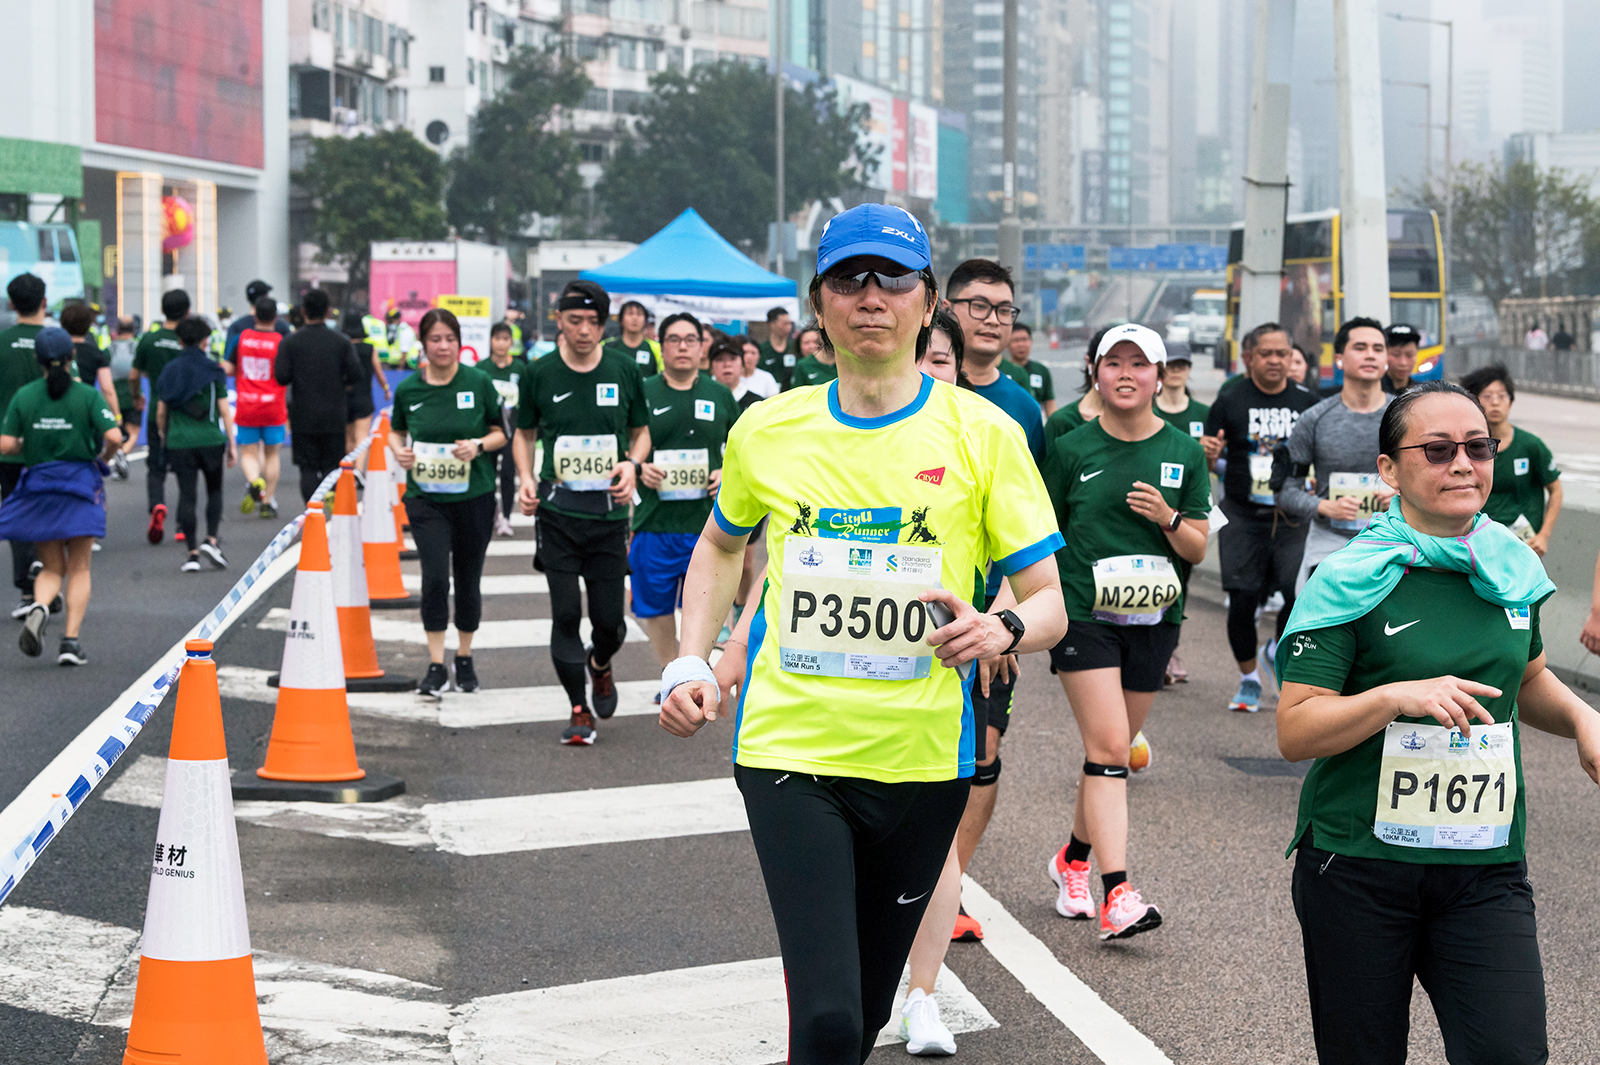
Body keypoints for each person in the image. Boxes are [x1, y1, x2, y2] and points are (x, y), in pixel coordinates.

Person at [658, 202, 1065, 1064]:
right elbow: (720, 549)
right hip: (789, 750)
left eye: (893, 279)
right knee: (830, 1020)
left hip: (923, 762)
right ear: (819, 304)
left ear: (926, 304)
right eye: (849, 278)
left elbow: (1050, 600)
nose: (870, 296)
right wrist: (691, 659)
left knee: (866, 1012)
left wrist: (1001, 628)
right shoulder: (769, 428)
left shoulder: (982, 434)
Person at [1275, 380, 1600, 1065]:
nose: (1463, 463)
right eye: (1439, 449)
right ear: (1389, 469)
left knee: (1511, 1053)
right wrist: (1394, 696)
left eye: (1477, 447)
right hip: (1359, 863)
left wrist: (1582, 717)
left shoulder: (1511, 568)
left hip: (1484, 866)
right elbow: (1296, 729)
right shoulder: (1350, 577)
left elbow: (1531, 677)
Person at [1039, 323, 1209, 941]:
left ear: (1159, 378)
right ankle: (1120, 893)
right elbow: (1041, 534)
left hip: (1155, 619)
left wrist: (1167, 517)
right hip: (1084, 615)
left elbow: (1197, 544)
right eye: (1115, 363)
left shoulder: (1184, 452)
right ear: (1095, 373)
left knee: (1108, 755)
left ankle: (1072, 860)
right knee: (1112, 749)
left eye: (1141, 364)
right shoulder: (1071, 445)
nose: (1127, 374)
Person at [514, 280, 650, 745]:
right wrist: (526, 478)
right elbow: (524, 433)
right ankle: (578, 709)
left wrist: (632, 465)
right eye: (575, 321)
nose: (585, 331)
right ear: (558, 320)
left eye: (594, 322)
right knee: (566, 613)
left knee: (610, 623)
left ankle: (600, 662)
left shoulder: (624, 368)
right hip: (556, 513)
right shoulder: (539, 372)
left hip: (609, 515)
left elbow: (641, 431)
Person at [390, 308, 507, 696]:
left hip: (474, 498)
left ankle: (465, 656)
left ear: (460, 343)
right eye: (436, 339)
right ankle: (437, 663)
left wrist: (477, 445)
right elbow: (396, 431)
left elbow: (500, 434)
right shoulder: (409, 389)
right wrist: (399, 453)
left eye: (450, 339)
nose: (443, 346)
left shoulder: (479, 382)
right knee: (436, 577)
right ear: (423, 345)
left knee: (468, 579)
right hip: (426, 500)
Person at [1204, 320, 1319, 713]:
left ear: (1292, 357)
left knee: (1297, 594)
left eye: (1282, 353)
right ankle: (1248, 678)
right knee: (1243, 598)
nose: (1274, 361)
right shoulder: (1230, 400)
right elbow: (1210, 452)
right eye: (1265, 353)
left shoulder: (1308, 402)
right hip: (1242, 513)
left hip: (1292, 517)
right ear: (1249, 357)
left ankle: (1275, 649)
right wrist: (1208, 455)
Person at [0, 327, 122, 663]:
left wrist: (28, 443)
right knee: (79, 567)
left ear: (37, 360)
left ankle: (39, 606)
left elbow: (6, 444)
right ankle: (70, 642)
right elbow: (115, 435)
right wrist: (104, 458)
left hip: (40, 486)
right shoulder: (86, 395)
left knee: (52, 566)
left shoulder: (25, 396)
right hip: (80, 484)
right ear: (71, 357)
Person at [631, 322, 739, 672]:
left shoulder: (719, 393)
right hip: (654, 520)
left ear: (701, 347)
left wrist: (725, 471)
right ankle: (669, 671)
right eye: (673, 340)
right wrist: (639, 467)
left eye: (690, 340)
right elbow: (624, 444)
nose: (682, 347)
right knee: (656, 606)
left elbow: (742, 448)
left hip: (706, 524)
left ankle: (695, 668)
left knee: (703, 603)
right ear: (661, 346)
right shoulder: (642, 391)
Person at [1278, 318, 1394, 596]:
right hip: (1329, 541)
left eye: (1378, 349)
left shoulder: (1408, 416)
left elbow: (1429, 481)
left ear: (1386, 359)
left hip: (1393, 540)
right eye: (1360, 347)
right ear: (1339, 359)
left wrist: (1402, 497)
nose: (1370, 354)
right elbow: (1286, 491)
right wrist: (1324, 507)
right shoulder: (1313, 419)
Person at [156, 317, 236, 573]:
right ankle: (211, 540)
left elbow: (161, 411)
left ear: (179, 340)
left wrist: (163, 435)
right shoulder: (214, 370)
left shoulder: (169, 370)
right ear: (205, 340)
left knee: (186, 494)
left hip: (180, 442)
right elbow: (224, 410)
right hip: (211, 439)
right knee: (214, 491)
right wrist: (232, 443)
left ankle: (191, 553)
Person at [945, 259, 1045, 463]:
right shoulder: (916, 391)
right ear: (947, 309)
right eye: (980, 306)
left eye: (1004, 310)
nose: (993, 320)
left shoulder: (1025, 407)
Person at [1459, 363, 1562, 556]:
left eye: (1502, 396)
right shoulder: (1465, 448)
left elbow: (1556, 491)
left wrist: (1543, 535)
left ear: (1511, 402)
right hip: (1478, 544)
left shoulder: (1530, 445)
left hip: (1522, 545)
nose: (1495, 402)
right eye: (1487, 396)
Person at [274, 289, 363, 505]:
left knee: (307, 467)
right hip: (334, 413)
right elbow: (356, 374)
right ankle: (333, 504)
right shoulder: (341, 342)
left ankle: (313, 510)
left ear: (303, 311)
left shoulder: (290, 343)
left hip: (303, 414)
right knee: (332, 465)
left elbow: (281, 377)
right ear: (328, 311)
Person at [0, 273, 49, 617]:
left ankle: (26, 589)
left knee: (15, 510)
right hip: (49, 443)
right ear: (44, 302)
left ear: (11, 303)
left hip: (6, 445)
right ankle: (45, 573)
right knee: (49, 511)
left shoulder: (2, 342)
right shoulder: (54, 344)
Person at [129, 289, 190, 545]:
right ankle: (182, 525)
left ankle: (157, 505)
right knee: (186, 469)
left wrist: (136, 396)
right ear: (187, 312)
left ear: (163, 311)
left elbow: (134, 375)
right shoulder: (188, 340)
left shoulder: (149, 340)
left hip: (156, 411)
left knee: (155, 467)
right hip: (184, 414)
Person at [230, 296, 290, 520]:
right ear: (275, 317)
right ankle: (267, 502)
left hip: (246, 403)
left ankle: (255, 480)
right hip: (273, 405)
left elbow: (229, 366)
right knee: (273, 454)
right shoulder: (281, 341)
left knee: (249, 452)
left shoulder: (241, 338)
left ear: (254, 314)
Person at [480, 320, 529, 537]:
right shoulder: (481, 369)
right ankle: (490, 513)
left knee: (508, 474)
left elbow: (526, 400)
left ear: (511, 342)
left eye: (505, 339)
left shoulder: (519, 368)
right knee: (488, 475)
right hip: (489, 433)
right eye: (497, 338)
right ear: (490, 341)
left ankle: (506, 518)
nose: (501, 343)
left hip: (513, 433)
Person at [1044, 326, 1112, 445]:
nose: (1125, 373)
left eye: (1137, 364)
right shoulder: (1062, 423)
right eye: (1113, 364)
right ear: (1089, 364)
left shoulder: (1154, 420)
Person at [342, 309, 389, 456]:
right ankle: (358, 473)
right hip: (363, 397)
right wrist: (386, 389)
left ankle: (348, 472)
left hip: (344, 397)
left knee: (348, 438)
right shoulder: (369, 349)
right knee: (361, 437)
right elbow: (379, 372)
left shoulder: (342, 347)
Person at [61, 304, 120, 420]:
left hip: (61, 409)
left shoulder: (56, 351)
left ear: (63, 325)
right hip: (87, 410)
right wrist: (117, 416)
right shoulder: (96, 354)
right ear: (88, 325)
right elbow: (107, 389)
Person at [220, 279, 290, 365]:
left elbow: (227, 361)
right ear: (267, 296)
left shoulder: (236, 327)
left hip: (243, 376)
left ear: (247, 298)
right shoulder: (281, 327)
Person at [106, 316, 138, 479]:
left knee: (117, 430)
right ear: (133, 330)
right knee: (134, 431)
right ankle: (123, 454)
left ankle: (119, 454)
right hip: (132, 390)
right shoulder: (136, 347)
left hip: (113, 393)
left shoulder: (109, 348)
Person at [1005, 321, 1056, 415]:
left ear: (1031, 341)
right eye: (1015, 340)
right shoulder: (1001, 371)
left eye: (1024, 340)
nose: (1020, 344)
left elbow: (1049, 403)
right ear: (1007, 344)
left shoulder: (1041, 370)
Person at [603, 299, 660, 378]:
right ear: (621, 320)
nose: (635, 318)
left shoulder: (656, 348)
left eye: (639, 314)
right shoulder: (606, 345)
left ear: (645, 321)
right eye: (630, 314)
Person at [734, 334, 780, 411]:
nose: (749, 357)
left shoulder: (767, 378)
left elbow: (775, 404)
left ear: (758, 356)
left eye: (753, 353)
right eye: (745, 352)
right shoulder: (732, 377)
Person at [757, 306, 797, 389]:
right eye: (785, 323)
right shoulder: (761, 350)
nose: (789, 327)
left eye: (790, 323)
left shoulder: (794, 347)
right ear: (772, 324)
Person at [787, 324, 838, 389]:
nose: (812, 346)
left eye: (814, 342)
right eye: (806, 343)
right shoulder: (803, 365)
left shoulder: (846, 362)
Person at [1383, 323, 1421, 394]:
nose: (1403, 363)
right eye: (1396, 355)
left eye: (1409, 355)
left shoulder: (1421, 393)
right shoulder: (1374, 390)